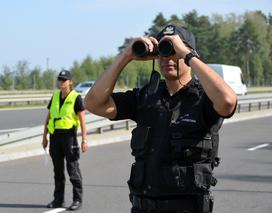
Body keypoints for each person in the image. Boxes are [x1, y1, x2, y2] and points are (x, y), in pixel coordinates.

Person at [84, 24, 237, 213]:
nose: (167, 58)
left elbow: (228, 101)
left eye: (173, 51)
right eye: (163, 52)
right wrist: (126, 56)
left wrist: (188, 55)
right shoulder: (146, 97)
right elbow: (93, 103)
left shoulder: (203, 99)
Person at [42, 70, 88, 211]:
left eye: (64, 80)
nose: (61, 82)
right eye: (60, 80)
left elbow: (82, 120)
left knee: (72, 169)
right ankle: (58, 200)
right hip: (55, 137)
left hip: (69, 137)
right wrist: (44, 136)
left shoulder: (75, 97)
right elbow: (48, 117)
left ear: (70, 82)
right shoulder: (55, 96)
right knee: (58, 171)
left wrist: (84, 139)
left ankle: (77, 199)